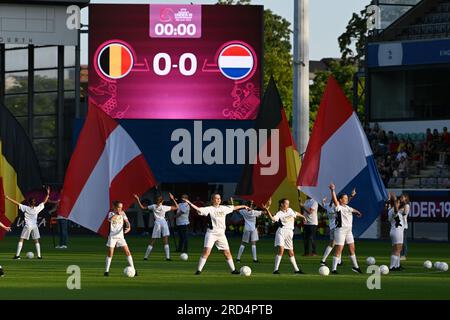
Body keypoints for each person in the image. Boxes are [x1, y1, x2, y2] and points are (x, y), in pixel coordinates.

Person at [184, 193, 249, 275]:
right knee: (206, 252)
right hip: (211, 233)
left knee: (227, 253)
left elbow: (234, 207)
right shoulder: (209, 209)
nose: (218, 200)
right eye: (216, 198)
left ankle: (233, 270)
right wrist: (189, 203)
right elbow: (198, 209)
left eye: (219, 198)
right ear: (212, 200)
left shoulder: (224, 208)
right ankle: (198, 270)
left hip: (221, 234)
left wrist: (244, 206)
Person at [5, 186, 50, 259]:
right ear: (34, 203)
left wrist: (8, 198)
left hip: (28, 226)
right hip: (34, 226)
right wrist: (48, 194)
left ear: (29, 203)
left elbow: (16, 203)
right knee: (36, 240)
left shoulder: (26, 208)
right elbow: (44, 202)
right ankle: (39, 256)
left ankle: (17, 256)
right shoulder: (37, 208)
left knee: (21, 239)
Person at [264, 198, 307, 274]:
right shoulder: (279, 213)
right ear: (282, 204)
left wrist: (303, 217)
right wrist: (267, 210)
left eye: (288, 203)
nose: (288, 205)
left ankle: (296, 270)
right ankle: (275, 270)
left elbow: (296, 213)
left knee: (291, 252)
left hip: (290, 232)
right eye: (286, 203)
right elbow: (273, 219)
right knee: (281, 250)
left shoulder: (290, 210)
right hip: (281, 232)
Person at [329, 183, 363, 274]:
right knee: (339, 249)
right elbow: (335, 200)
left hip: (349, 231)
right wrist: (332, 190)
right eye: (345, 198)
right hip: (340, 231)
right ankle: (334, 269)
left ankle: (356, 267)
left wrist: (358, 212)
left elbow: (353, 210)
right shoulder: (338, 207)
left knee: (352, 249)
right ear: (340, 200)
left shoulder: (347, 207)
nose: (347, 199)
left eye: (347, 198)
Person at [134, 193, 178, 261]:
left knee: (152, 240)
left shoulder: (153, 206)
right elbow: (177, 207)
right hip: (163, 222)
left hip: (157, 223)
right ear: (162, 201)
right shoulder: (164, 207)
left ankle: (146, 257)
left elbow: (142, 207)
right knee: (165, 240)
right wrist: (173, 199)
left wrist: (138, 199)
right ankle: (168, 257)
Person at [320, 189, 356, 266]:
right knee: (336, 244)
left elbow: (323, 205)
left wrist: (323, 201)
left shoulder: (328, 206)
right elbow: (345, 204)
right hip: (337, 227)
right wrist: (351, 196)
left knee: (337, 244)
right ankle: (324, 260)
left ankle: (337, 261)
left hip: (332, 227)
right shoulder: (336, 206)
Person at [104, 200, 136, 276]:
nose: (120, 209)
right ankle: (106, 271)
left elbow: (127, 221)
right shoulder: (111, 213)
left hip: (121, 237)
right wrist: (117, 214)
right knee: (110, 253)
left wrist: (129, 227)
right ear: (114, 207)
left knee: (127, 252)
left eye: (121, 207)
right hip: (112, 237)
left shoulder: (123, 213)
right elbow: (110, 220)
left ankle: (133, 269)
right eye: (118, 207)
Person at [387, 194, 404, 271]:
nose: (399, 203)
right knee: (397, 249)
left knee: (396, 249)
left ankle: (396, 266)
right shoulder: (394, 210)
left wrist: (391, 199)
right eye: (398, 202)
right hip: (397, 231)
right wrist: (394, 201)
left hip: (396, 231)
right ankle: (392, 267)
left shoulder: (390, 210)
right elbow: (396, 210)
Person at [399, 193, 410, 261]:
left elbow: (404, 214)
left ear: (406, 198)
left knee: (403, 241)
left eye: (402, 197)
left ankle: (404, 255)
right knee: (399, 241)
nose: (401, 198)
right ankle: (399, 254)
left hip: (403, 225)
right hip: (399, 225)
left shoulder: (406, 205)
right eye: (401, 197)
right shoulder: (400, 205)